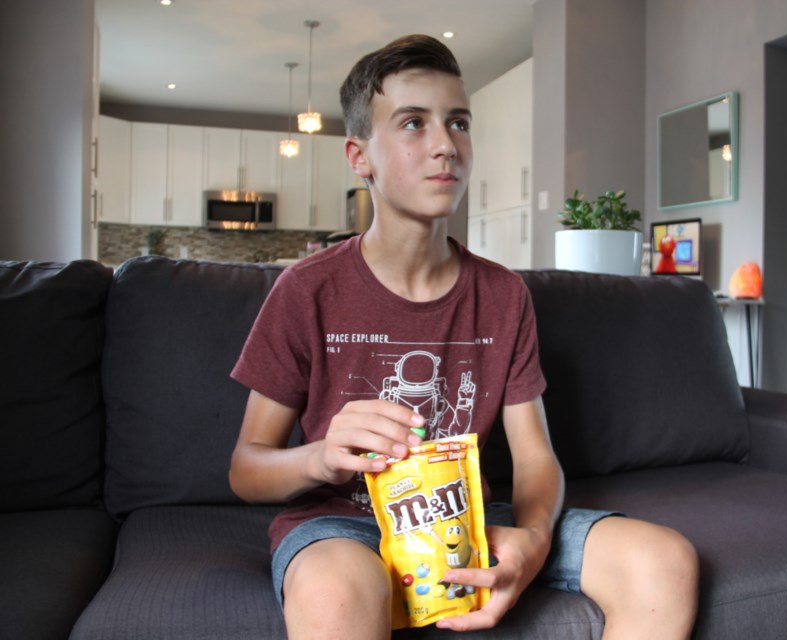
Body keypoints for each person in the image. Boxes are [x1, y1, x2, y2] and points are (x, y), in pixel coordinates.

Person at [229, 34, 698, 639]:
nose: (446, 144)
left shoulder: (503, 296)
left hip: (464, 517)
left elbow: (535, 459)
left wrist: (530, 541)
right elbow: (247, 467)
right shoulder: (306, 289)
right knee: (337, 592)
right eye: (413, 124)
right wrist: (320, 455)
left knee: (664, 559)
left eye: (457, 123)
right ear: (359, 156)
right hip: (343, 524)